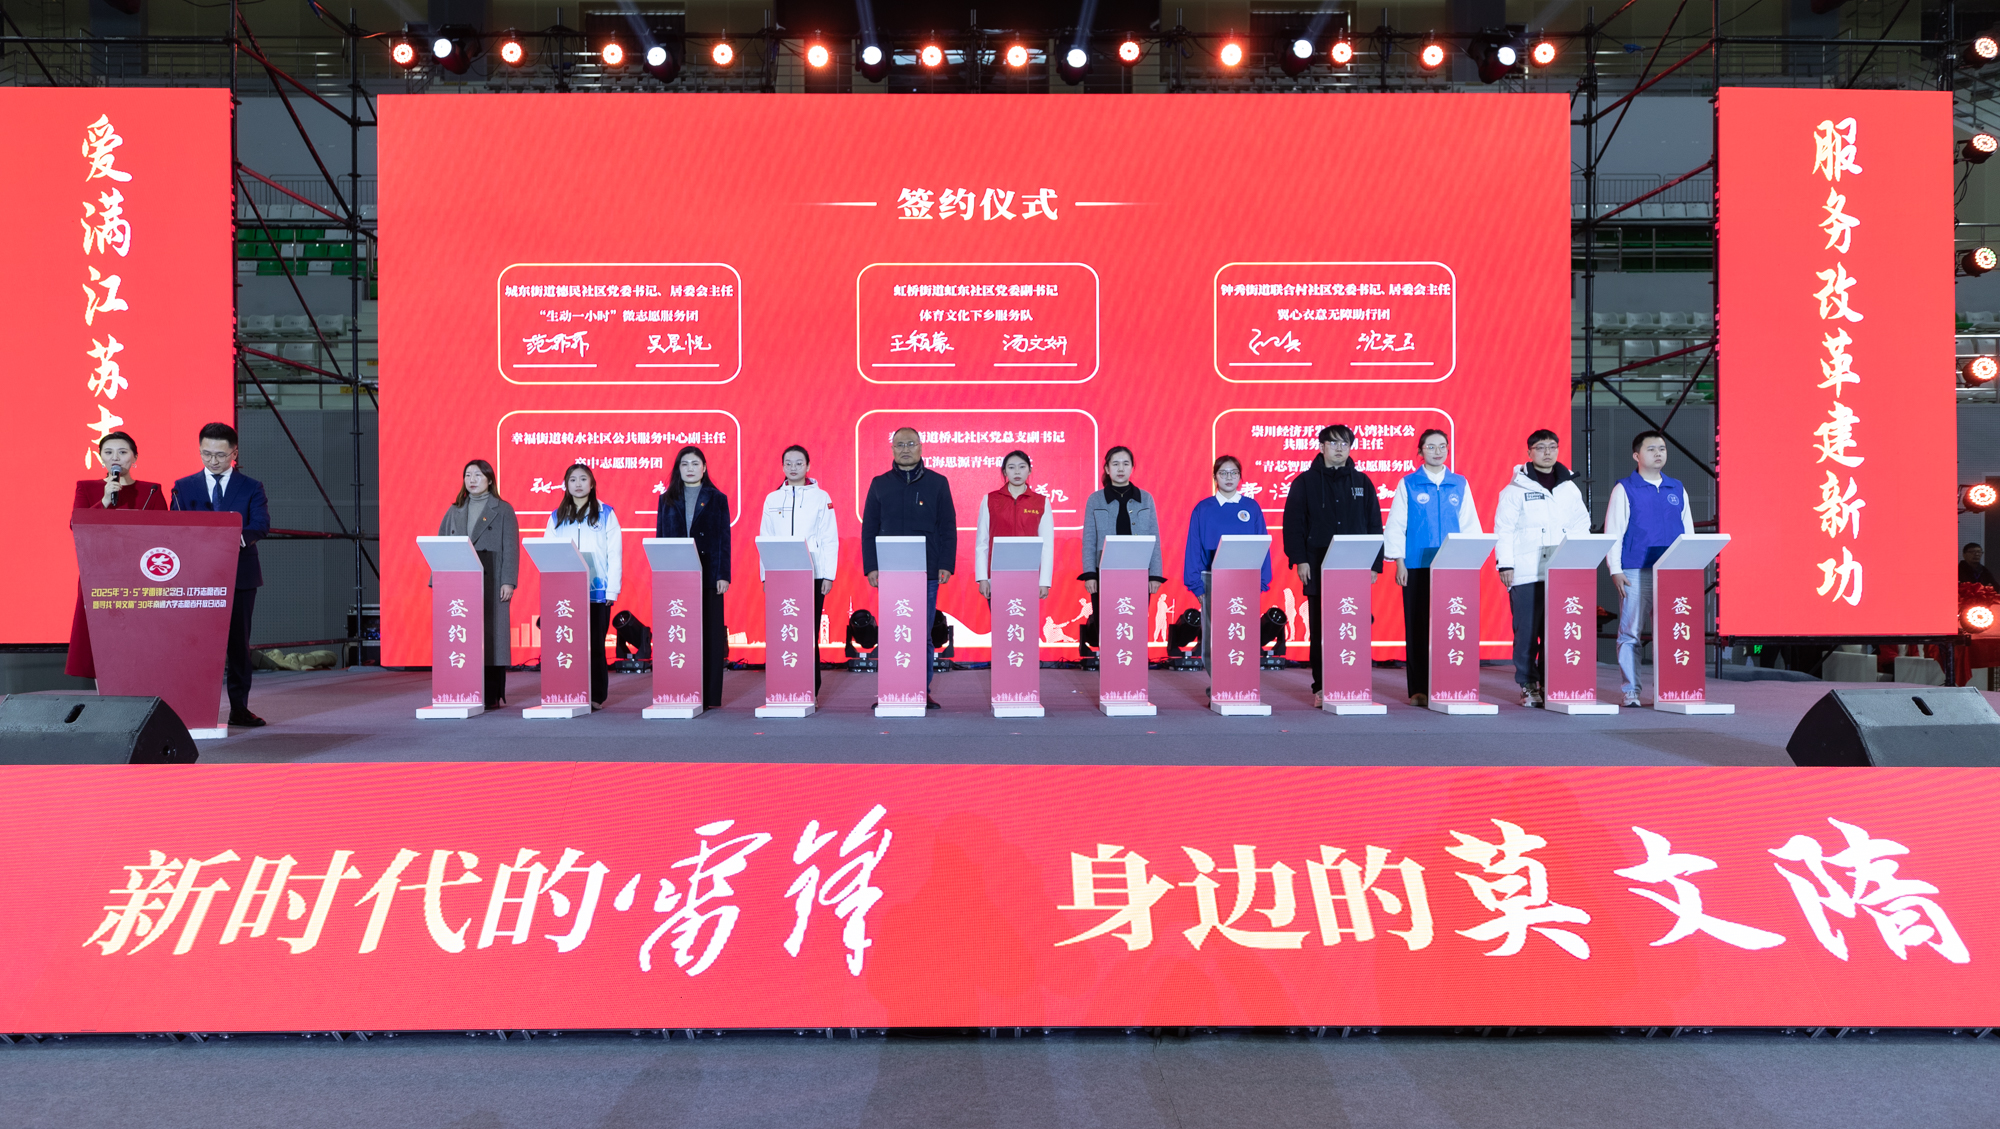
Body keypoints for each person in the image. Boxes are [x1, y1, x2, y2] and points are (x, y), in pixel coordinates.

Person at [171, 422, 271, 728]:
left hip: (240, 575)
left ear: (234, 453)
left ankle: (239, 708)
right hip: (197, 577)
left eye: (220, 455)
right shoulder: (183, 487)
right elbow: (175, 527)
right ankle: (194, 708)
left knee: (239, 645)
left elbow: (260, 525)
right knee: (196, 645)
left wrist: (228, 539)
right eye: (206, 454)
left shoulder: (251, 487)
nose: (212, 460)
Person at [1281, 424, 1384, 706]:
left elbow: (1374, 524)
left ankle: (1353, 682)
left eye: (1345, 443)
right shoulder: (1305, 482)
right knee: (1321, 628)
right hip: (1317, 563)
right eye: (1334, 443)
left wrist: (1375, 563)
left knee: (1353, 625)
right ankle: (1321, 686)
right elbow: (1293, 524)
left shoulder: (1362, 482)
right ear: (1322, 446)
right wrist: (1300, 559)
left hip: (1355, 565)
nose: (1339, 448)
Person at [1493, 430, 1591, 708]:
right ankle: (1527, 684)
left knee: (1556, 631)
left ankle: (1552, 681)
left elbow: (1580, 525)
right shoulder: (1515, 490)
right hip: (1526, 572)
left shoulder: (1569, 488)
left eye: (1552, 447)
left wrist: (1579, 560)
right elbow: (1504, 529)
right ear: (1529, 453)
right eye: (1540, 447)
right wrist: (1505, 564)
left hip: (1561, 572)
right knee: (1526, 632)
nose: (1547, 452)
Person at [860, 427, 956, 709]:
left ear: (921, 447)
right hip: (890, 573)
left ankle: (920, 690)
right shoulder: (880, 484)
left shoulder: (938, 483)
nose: (905, 449)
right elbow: (869, 529)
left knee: (921, 633)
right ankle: (891, 690)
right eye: (900, 444)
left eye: (910, 444)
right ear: (892, 449)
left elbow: (947, 526)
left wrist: (946, 564)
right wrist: (872, 567)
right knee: (894, 632)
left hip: (926, 571)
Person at [1384, 428, 1481, 708]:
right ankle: (1418, 689)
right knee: (1417, 626)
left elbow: (1470, 525)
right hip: (1416, 565)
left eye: (1442, 446)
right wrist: (1399, 561)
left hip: (1452, 567)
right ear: (1420, 451)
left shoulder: (1459, 484)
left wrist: (1469, 562)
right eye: (1431, 447)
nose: (1437, 452)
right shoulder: (1409, 484)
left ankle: (1448, 682)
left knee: (1450, 626)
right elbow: (1396, 525)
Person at [67, 430, 170, 681]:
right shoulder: (87, 488)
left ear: (135, 457)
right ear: (100, 458)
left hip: (141, 577)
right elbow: (76, 525)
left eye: (123, 452)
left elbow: (166, 533)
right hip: (100, 575)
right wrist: (104, 500)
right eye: (109, 452)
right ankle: (104, 691)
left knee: (138, 638)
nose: (116, 458)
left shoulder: (151, 491)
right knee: (100, 636)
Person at [1604, 430, 1695, 708]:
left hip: (1671, 573)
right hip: (1635, 570)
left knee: (1670, 632)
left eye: (1662, 449)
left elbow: (1688, 532)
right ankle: (1631, 690)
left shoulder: (1676, 488)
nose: (1658, 453)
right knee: (1631, 632)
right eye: (1651, 449)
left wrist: (1688, 565)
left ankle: (1670, 689)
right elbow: (1614, 532)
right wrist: (1615, 568)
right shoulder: (1625, 489)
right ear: (1637, 455)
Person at [436, 459, 519, 710]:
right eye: (468, 475)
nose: (472, 480)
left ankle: (491, 693)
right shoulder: (455, 509)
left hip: (491, 579)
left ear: (490, 480)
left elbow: (511, 548)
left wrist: (508, 581)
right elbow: (441, 544)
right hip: (460, 584)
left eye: (478, 475)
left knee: (492, 637)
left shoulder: (502, 509)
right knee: (463, 636)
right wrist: (436, 580)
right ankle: (462, 688)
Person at [655, 446, 731, 711]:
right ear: (678, 468)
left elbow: (723, 539)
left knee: (710, 634)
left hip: (709, 575)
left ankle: (709, 696)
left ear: (704, 467)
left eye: (695, 463)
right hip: (676, 576)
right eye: (684, 464)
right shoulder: (666, 499)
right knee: (679, 634)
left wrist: (723, 575)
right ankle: (680, 689)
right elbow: (660, 538)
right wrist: (661, 573)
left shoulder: (717, 498)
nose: (690, 468)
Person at [759, 445, 838, 694]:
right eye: (788, 463)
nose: (793, 468)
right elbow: (766, 538)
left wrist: (828, 575)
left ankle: (810, 690)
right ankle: (782, 687)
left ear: (808, 466)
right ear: (782, 466)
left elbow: (829, 538)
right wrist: (765, 575)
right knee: (783, 631)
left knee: (807, 633)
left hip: (812, 573)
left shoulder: (821, 497)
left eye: (799, 463)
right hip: (780, 574)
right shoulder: (772, 499)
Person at [545, 462, 622, 711]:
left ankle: (596, 695)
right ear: (565, 485)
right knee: (568, 644)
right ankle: (569, 689)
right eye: (572, 480)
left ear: (592, 484)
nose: (578, 484)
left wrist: (612, 589)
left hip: (597, 591)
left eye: (583, 479)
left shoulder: (606, 514)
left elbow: (614, 554)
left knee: (595, 645)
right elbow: (548, 553)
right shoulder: (556, 517)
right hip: (566, 593)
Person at [1183, 455, 1271, 672]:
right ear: (1215, 477)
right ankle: (1218, 684)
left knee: (1242, 632)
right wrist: (1197, 586)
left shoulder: (1251, 507)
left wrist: (1261, 582)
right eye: (1223, 473)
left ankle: (1240, 681)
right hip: (1212, 580)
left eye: (1234, 473)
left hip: (1246, 580)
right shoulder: (1203, 508)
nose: (1229, 477)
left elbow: (1262, 545)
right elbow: (1194, 547)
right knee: (1215, 634)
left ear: (1240, 477)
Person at [1079, 446, 1165, 660]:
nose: (1120, 469)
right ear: (1107, 469)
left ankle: (1132, 667)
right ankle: (1111, 670)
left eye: (1126, 464)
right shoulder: (1095, 499)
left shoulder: (1146, 499)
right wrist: (1090, 574)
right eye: (1115, 464)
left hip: (1138, 571)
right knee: (1106, 623)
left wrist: (1155, 575)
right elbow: (1089, 539)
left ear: (1132, 468)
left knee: (1134, 622)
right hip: (1104, 571)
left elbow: (1154, 536)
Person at [974, 450, 1055, 600]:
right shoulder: (990, 500)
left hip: (1030, 574)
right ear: (1004, 471)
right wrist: (982, 578)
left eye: (1022, 467)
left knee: (1024, 615)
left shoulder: (1041, 502)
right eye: (1011, 467)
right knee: (1000, 615)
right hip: (997, 574)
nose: (1017, 471)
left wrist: (1044, 581)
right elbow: (982, 542)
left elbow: (1047, 545)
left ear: (1029, 470)